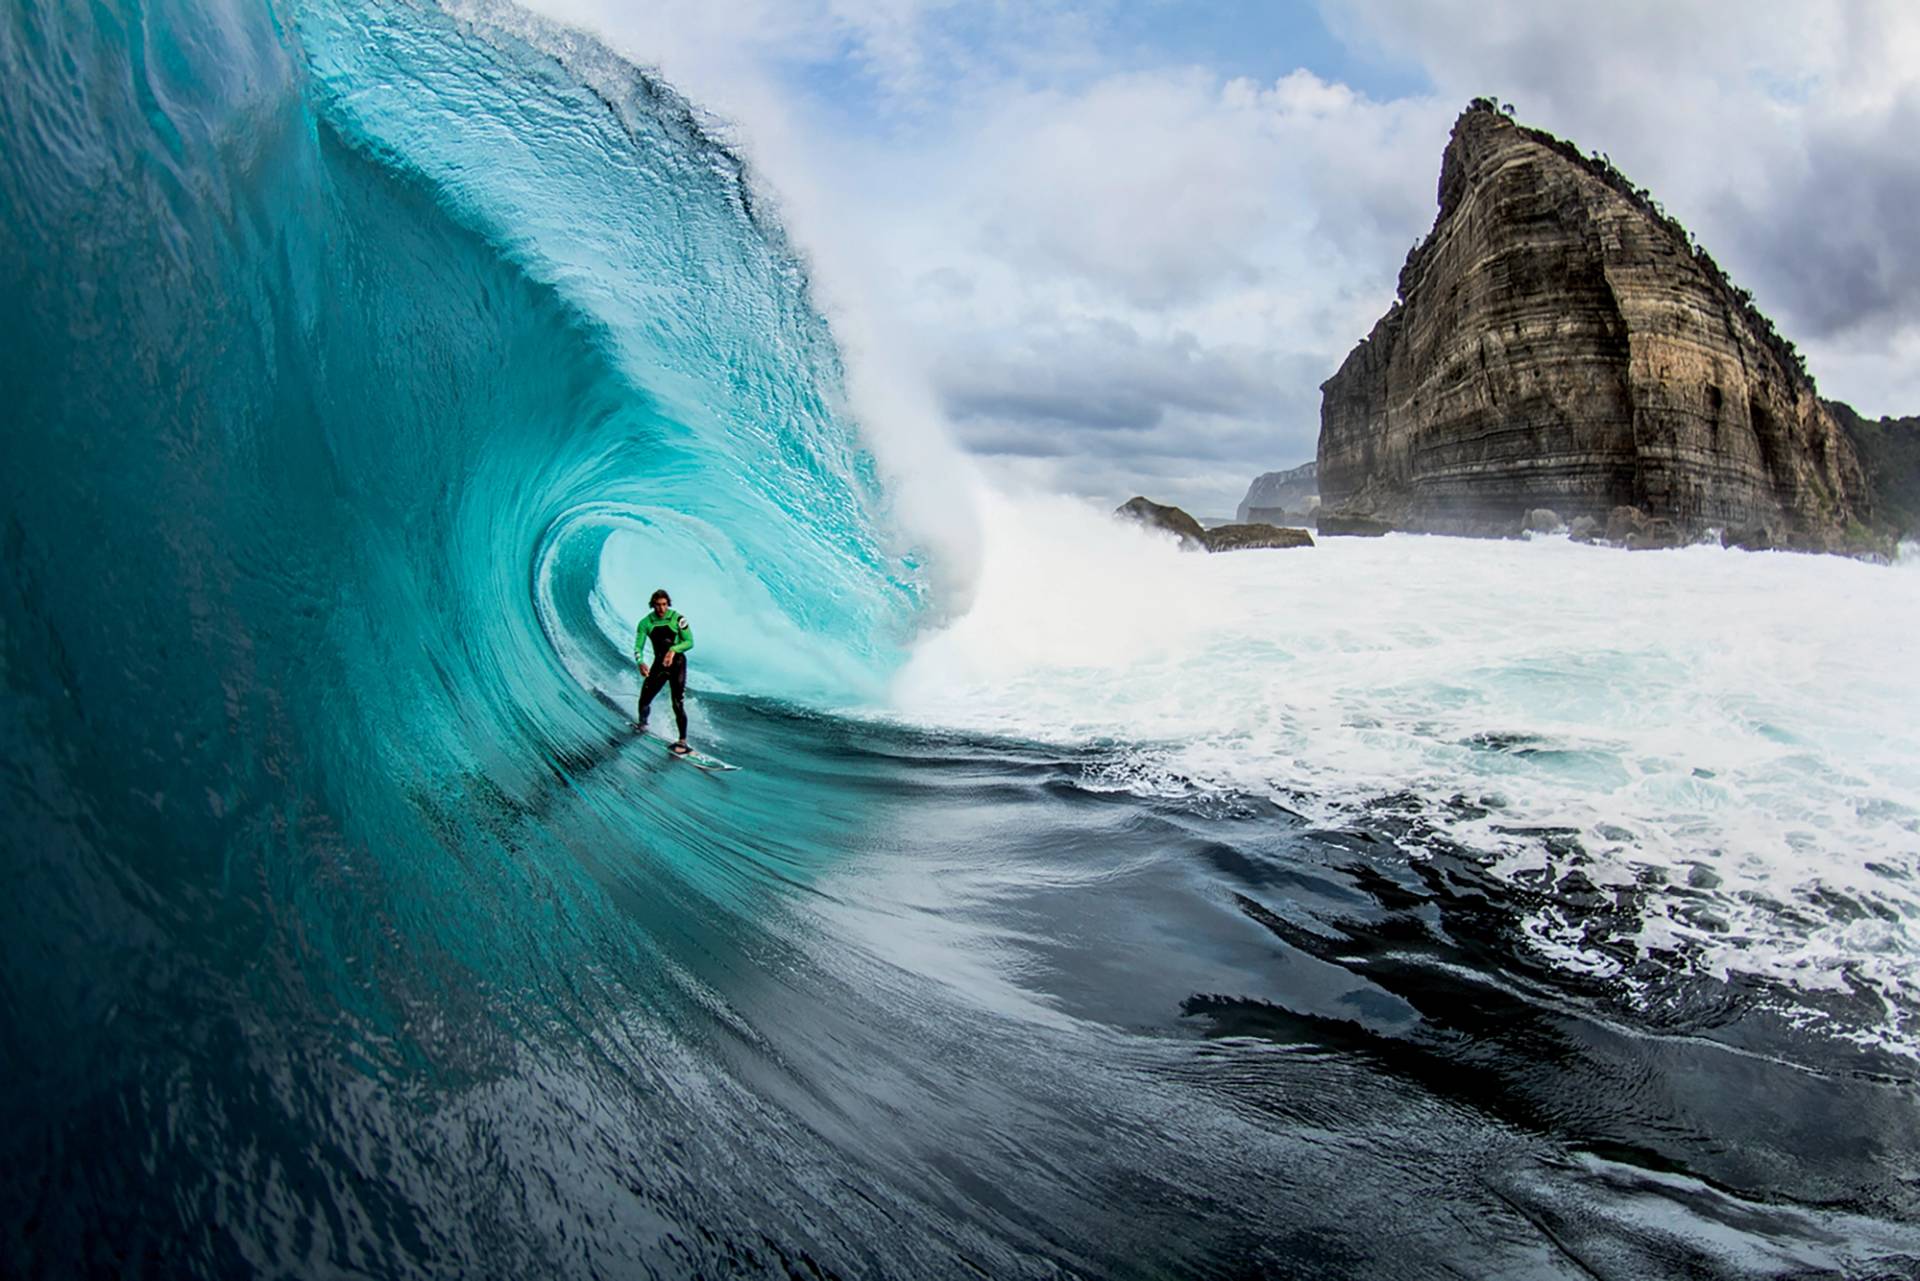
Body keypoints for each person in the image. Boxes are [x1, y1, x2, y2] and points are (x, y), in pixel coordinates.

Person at [634, 588, 695, 754]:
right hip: (659, 665)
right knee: (644, 698)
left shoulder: (678, 619)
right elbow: (638, 646)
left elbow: (689, 642)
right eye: (658, 605)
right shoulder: (645, 623)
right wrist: (640, 662)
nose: (661, 608)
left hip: (678, 664)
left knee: (677, 702)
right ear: (652, 605)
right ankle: (642, 724)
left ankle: (682, 740)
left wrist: (673, 650)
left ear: (668, 604)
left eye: (664, 604)